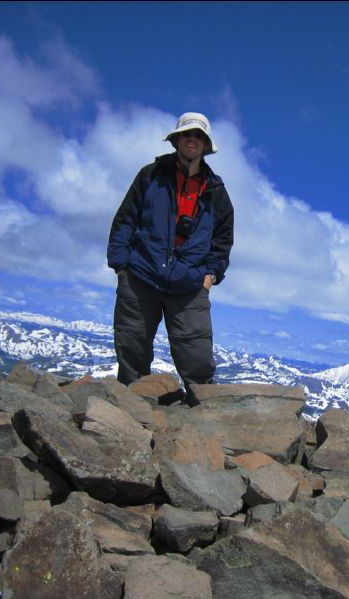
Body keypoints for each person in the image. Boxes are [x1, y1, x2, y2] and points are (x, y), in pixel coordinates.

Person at [107, 112, 234, 396]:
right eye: (188, 134)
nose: (193, 139)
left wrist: (210, 275)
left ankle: (202, 418)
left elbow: (223, 240)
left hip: (190, 283)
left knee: (198, 359)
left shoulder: (216, 192)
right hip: (141, 274)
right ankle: (131, 415)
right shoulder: (150, 175)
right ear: (176, 140)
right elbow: (126, 218)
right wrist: (121, 266)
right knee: (132, 350)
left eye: (199, 136)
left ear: (206, 145)